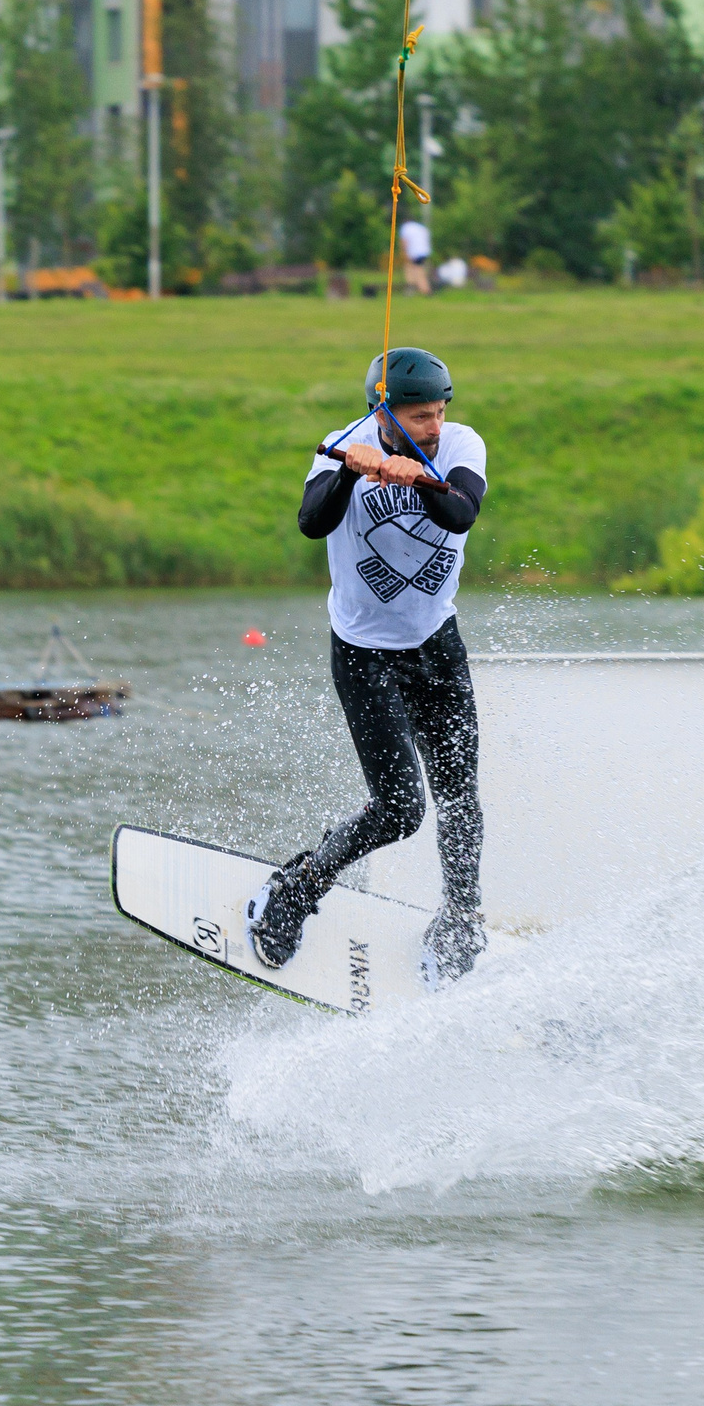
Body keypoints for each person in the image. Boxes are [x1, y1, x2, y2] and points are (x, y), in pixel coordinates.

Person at [246, 345, 490, 986]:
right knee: (400, 810)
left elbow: (461, 511)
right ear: (384, 413)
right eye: (419, 416)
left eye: (438, 412)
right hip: (365, 655)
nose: (433, 426)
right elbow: (309, 521)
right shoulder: (342, 445)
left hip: (437, 647)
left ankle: (462, 917)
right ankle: (299, 886)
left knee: (459, 798)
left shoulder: (463, 445)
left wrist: (417, 474)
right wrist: (358, 472)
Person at [399, 215, 433, 296]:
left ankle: (422, 289)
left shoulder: (405, 227)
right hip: (424, 251)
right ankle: (420, 288)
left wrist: (403, 252)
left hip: (414, 252)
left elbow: (404, 241)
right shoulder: (421, 227)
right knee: (417, 269)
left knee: (414, 269)